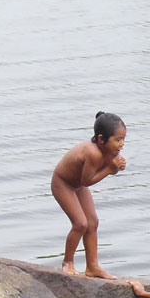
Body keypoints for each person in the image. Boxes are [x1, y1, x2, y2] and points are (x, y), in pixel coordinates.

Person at [52, 111, 127, 278]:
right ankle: (68, 263)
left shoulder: (109, 150)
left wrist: (115, 168)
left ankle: (92, 266)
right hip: (63, 184)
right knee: (80, 223)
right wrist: (109, 169)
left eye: (123, 139)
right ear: (101, 139)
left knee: (92, 222)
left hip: (77, 185)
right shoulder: (93, 153)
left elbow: (101, 172)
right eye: (118, 140)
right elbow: (87, 181)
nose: (121, 144)